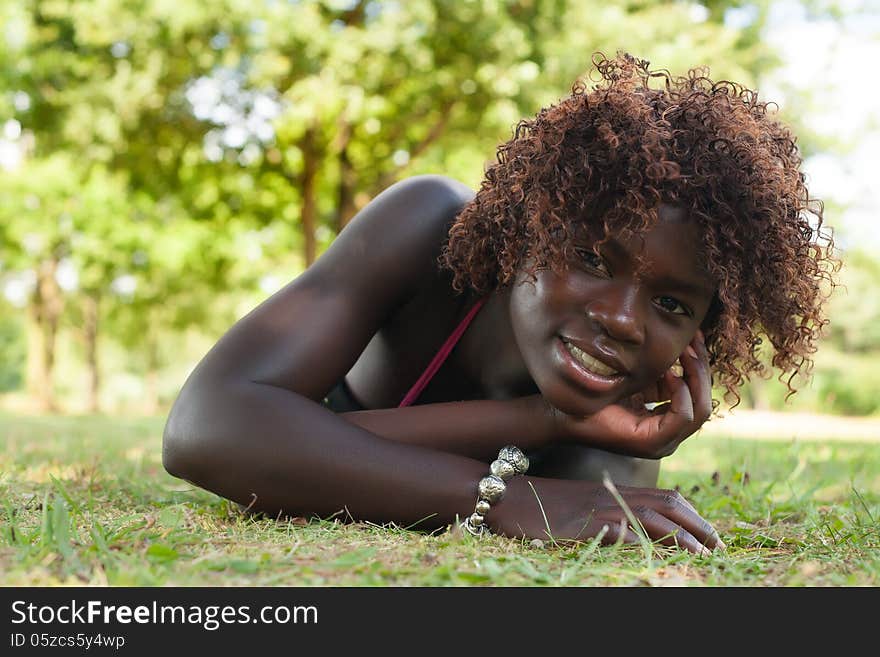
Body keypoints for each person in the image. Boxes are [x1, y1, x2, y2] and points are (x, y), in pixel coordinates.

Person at [162, 53, 836, 555]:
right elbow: (206, 429)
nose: (623, 319)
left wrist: (555, 425)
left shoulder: (615, 454)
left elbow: (272, 446)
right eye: (594, 259)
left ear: (701, 334)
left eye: (669, 302)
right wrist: (518, 492)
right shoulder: (424, 228)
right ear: (530, 230)